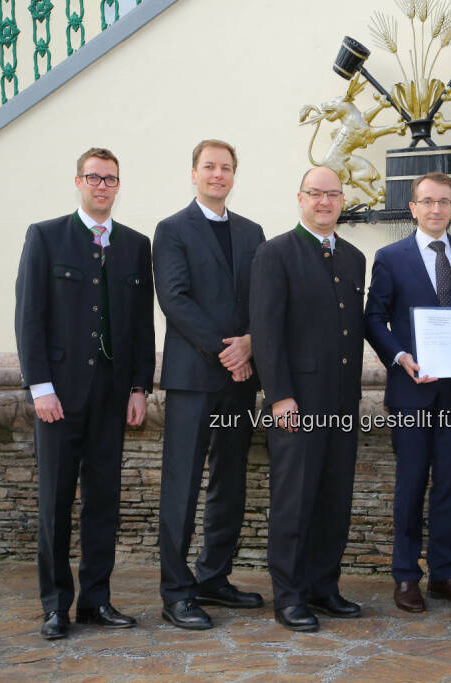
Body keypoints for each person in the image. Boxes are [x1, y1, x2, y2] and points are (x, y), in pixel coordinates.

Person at [14, 147, 155, 639]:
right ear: (78, 182)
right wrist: (40, 388)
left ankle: (97, 600)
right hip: (58, 398)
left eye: (110, 179)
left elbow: (140, 325)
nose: (102, 186)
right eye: (94, 177)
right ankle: (55, 605)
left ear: (118, 186)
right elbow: (29, 317)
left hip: (112, 396)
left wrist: (140, 386)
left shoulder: (136, 246)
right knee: (54, 503)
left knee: (104, 502)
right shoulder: (46, 237)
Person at [152, 139, 266, 630]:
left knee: (230, 480)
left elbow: (263, 300)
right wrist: (227, 352)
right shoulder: (172, 230)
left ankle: (213, 577)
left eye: (226, 168)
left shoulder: (252, 232)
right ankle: (176, 592)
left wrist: (250, 344)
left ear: (234, 176)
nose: (217, 175)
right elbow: (175, 300)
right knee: (182, 483)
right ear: (193, 173)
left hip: (240, 380)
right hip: (194, 380)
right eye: (209, 167)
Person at [250, 166, 366, 632]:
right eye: (315, 194)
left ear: (342, 201)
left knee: (334, 499)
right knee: (294, 502)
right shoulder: (275, 253)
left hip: (342, 404)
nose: (324, 202)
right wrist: (279, 397)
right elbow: (266, 330)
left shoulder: (355, 257)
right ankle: (290, 596)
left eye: (333, 194)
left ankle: (324, 587)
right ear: (300, 198)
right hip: (296, 404)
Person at [365, 172, 451, 612]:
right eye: (427, 201)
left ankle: (444, 574)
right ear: (412, 208)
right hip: (411, 390)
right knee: (411, 485)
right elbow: (373, 318)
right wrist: (400, 357)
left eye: (444, 201)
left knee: (450, 486)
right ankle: (405, 576)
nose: (436, 209)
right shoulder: (390, 257)